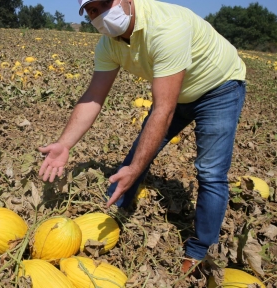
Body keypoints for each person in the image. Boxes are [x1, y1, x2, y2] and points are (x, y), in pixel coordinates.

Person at [37, 0, 246, 276]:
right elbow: (93, 97)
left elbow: (164, 109)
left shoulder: (166, 26)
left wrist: (136, 168)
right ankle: (112, 213)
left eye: (104, 4)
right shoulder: (108, 44)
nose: (100, 14)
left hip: (219, 87)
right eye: (92, 10)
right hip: (175, 91)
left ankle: (201, 251)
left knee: (210, 172)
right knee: (138, 155)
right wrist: (64, 144)